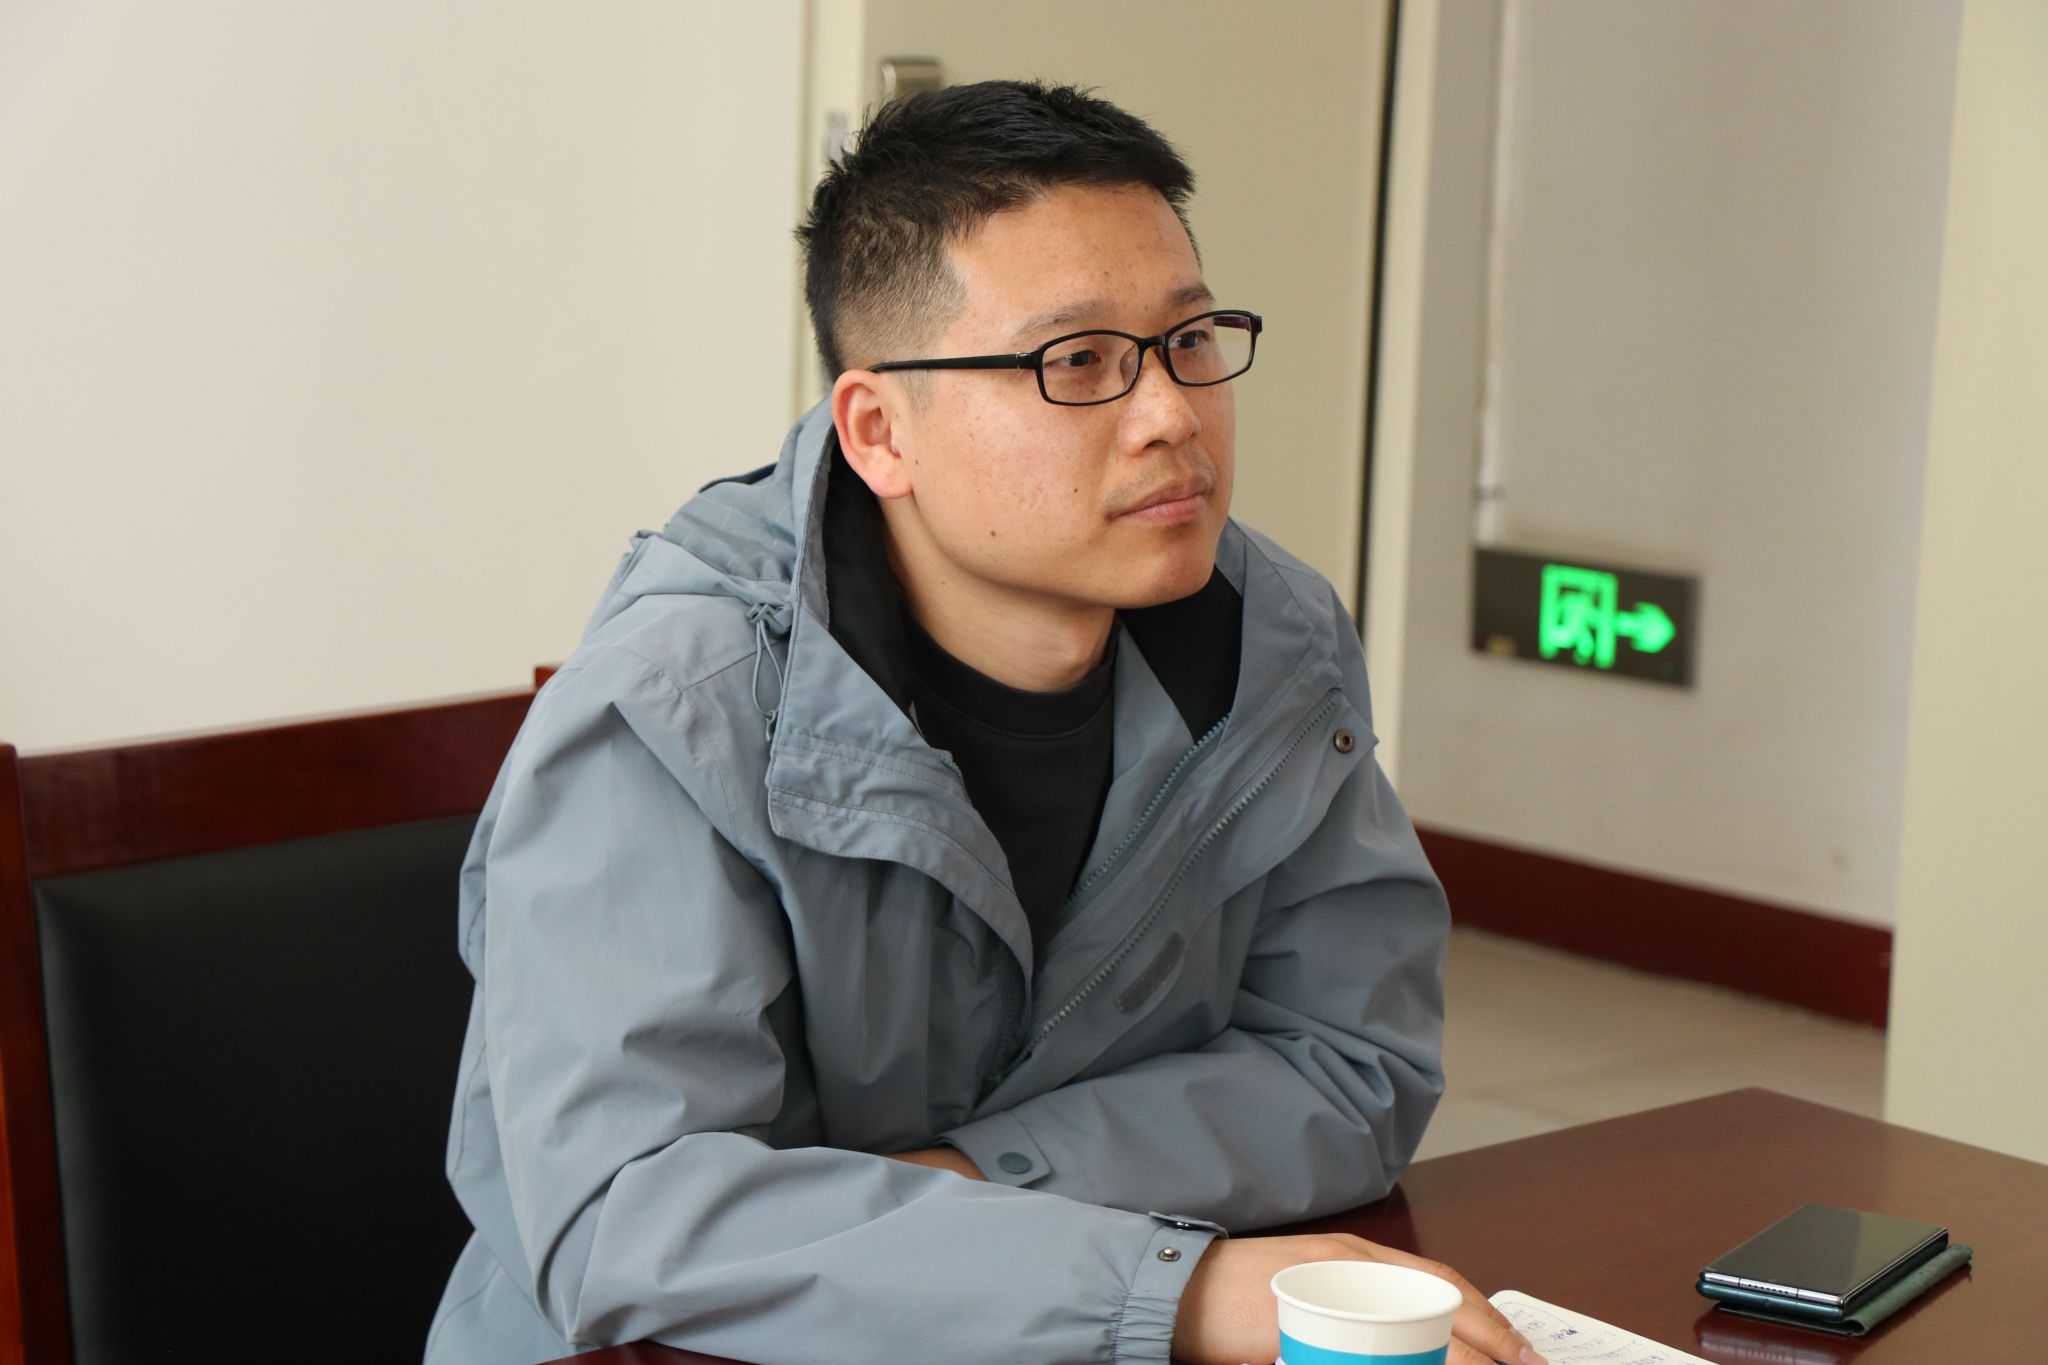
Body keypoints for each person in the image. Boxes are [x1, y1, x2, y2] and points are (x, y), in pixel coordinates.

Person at [425, 80, 1542, 1365]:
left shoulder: (1270, 640)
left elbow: (1348, 1065)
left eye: (1188, 340)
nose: (1172, 414)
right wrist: (1173, 1294)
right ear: (878, 432)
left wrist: (975, 1185)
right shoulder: (676, 707)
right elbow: (632, 1214)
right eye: (1077, 363)